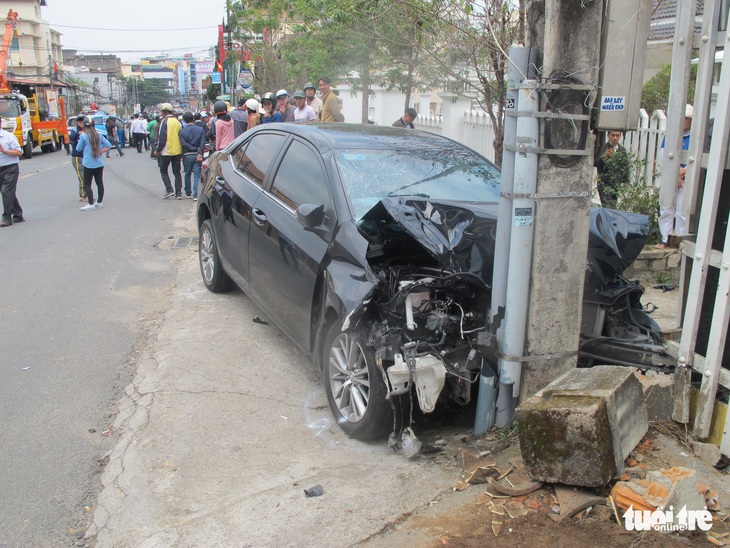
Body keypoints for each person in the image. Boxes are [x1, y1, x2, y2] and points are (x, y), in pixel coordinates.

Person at [656, 104, 693, 249]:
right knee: (666, 208)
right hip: (671, 176)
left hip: (686, 178)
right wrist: (676, 173)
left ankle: (680, 238)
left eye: (687, 118)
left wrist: (683, 172)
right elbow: (664, 156)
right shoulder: (671, 135)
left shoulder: (694, 136)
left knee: (682, 210)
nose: (684, 121)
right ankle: (665, 238)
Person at [75, 117, 111, 211]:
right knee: (99, 183)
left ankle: (90, 203)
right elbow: (109, 145)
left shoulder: (84, 136)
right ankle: (99, 202)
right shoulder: (99, 135)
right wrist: (101, 151)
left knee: (87, 184)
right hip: (99, 163)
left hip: (88, 164)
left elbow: (78, 149)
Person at [155, 103, 184, 199]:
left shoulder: (164, 122)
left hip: (166, 151)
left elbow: (162, 138)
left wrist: (158, 150)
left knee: (163, 171)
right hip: (177, 151)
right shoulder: (177, 122)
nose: (161, 113)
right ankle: (179, 193)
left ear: (165, 111)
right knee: (177, 172)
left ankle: (169, 189)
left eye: (162, 111)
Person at [594, 129, 629, 207]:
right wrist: (604, 156)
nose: (615, 138)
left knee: (613, 205)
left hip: (616, 184)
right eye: (613, 135)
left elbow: (625, 166)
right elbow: (595, 163)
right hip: (604, 183)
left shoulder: (622, 150)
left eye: (617, 135)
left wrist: (625, 180)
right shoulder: (602, 148)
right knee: (607, 206)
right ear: (608, 136)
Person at [0, 123, 23, 227]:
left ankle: (6, 218)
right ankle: (18, 214)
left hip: (10, 168)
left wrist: (4, 151)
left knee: (6, 191)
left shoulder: (8, 136)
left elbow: (19, 152)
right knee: (8, 193)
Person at [179, 111, 206, 199]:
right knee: (197, 175)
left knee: (187, 173)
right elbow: (202, 143)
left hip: (187, 154)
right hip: (197, 155)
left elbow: (183, 144)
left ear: (184, 120)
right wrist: (200, 152)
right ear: (193, 119)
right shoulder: (200, 130)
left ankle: (188, 192)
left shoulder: (182, 131)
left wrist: (192, 148)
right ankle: (196, 194)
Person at [69, 114, 87, 202]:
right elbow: (71, 138)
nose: (81, 123)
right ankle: (83, 195)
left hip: (87, 156)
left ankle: (87, 193)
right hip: (77, 156)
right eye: (79, 122)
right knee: (81, 176)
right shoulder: (75, 130)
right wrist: (78, 134)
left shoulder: (88, 130)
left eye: (82, 121)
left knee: (87, 176)